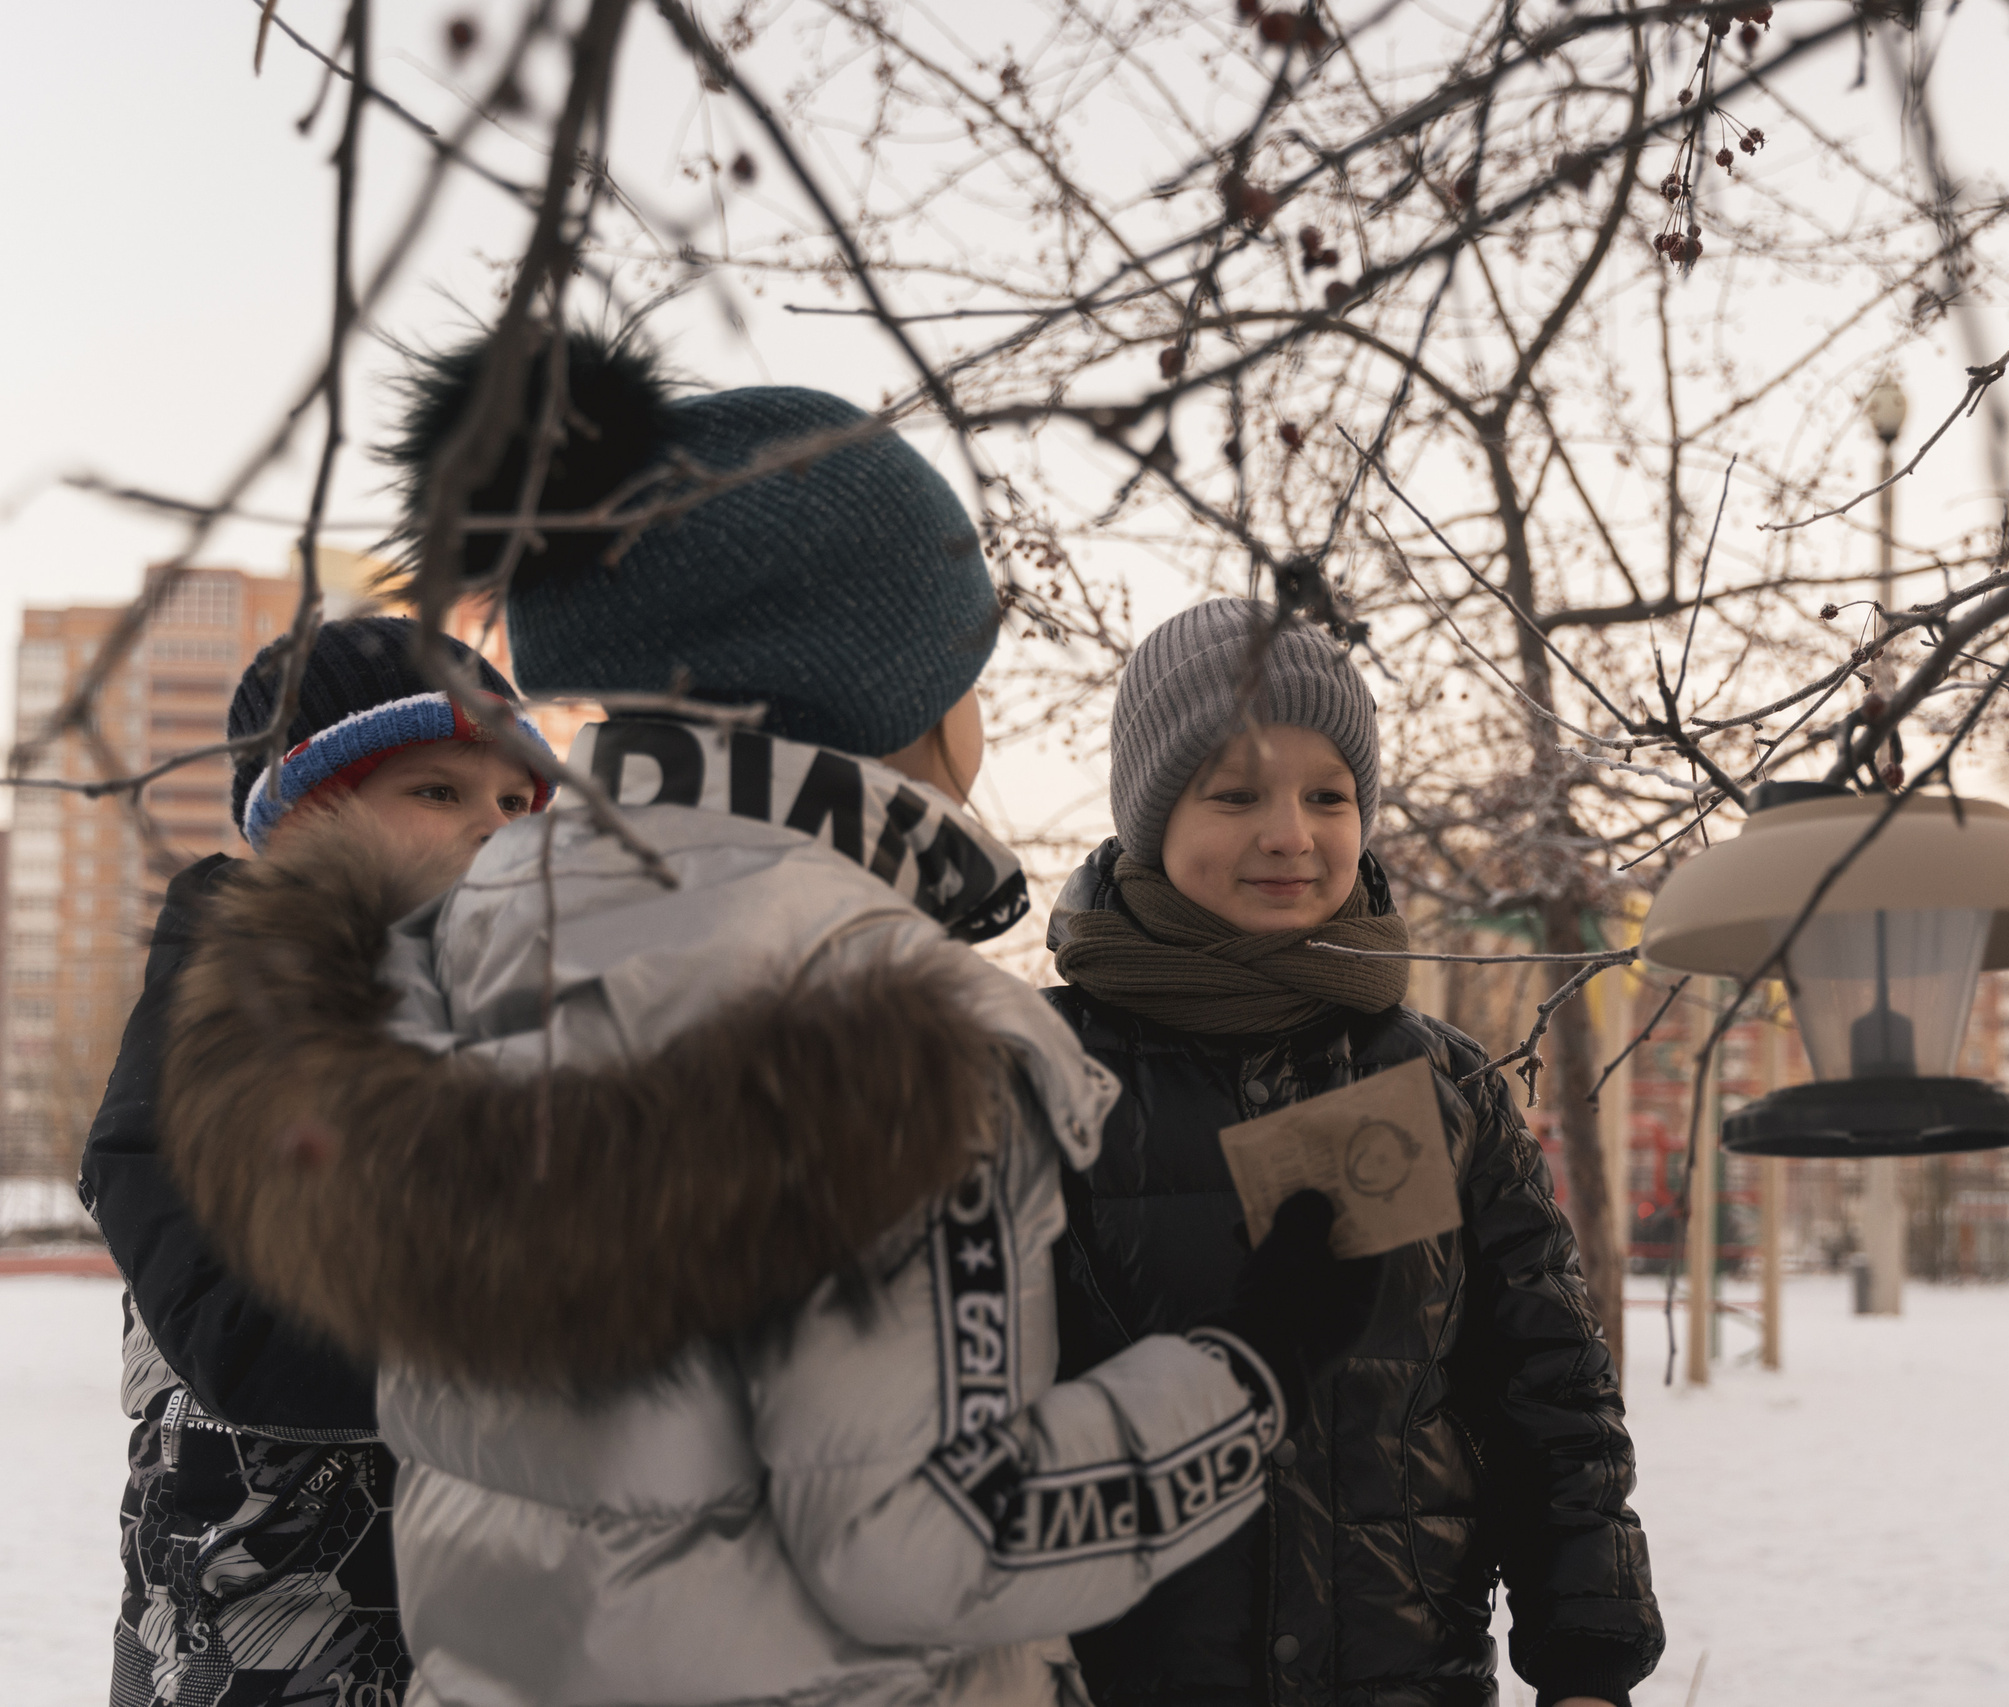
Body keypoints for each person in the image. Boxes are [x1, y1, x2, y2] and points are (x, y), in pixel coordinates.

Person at [152, 331, 1379, 1707]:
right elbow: (936, 1540)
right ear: (888, 691)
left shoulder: (475, 943)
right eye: (965, 661)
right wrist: (1249, 1373)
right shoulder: (888, 1027)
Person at [1043, 599, 1665, 1707]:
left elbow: (1550, 1397)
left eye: (1328, 796)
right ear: (1149, 814)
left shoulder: (1436, 1084)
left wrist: (1588, 1661)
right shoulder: (1037, 1077)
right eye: (1236, 794)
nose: (1291, 834)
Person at [80, 614, 553, 1707]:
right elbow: (250, 1335)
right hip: (268, 1647)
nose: (494, 829)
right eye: (438, 790)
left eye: (516, 802)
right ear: (302, 819)